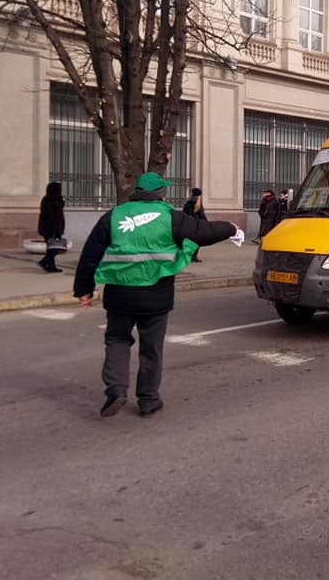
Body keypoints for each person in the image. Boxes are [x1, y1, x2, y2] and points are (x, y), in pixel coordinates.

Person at [73, 172, 237, 418]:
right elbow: (205, 232)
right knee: (151, 347)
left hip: (120, 293)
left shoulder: (114, 215)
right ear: (161, 193)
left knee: (117, 340)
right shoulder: (171, 217)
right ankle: (148, 399)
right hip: (156, 296)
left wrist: (83, 289)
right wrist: (231, 228)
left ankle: (116, 390)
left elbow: (90, 255)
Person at [37, 181, 66, 273]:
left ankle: (51, 265)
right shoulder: (48, 200)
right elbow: (51, 216)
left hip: (55, 228)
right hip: (49, 228)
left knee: (52, 248)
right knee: (53, 249)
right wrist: (56, 228)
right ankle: (45, 262)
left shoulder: (57, 199)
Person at [182, 188, 206, 262]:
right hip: (196, 224)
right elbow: (201, 214)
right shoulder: (198, 202)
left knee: (188, 240)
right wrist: (206, 222)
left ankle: (188, 255)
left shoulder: (187, 201)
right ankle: (194, 256)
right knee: (196, 241)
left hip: (187, 223)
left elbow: (184, 212)